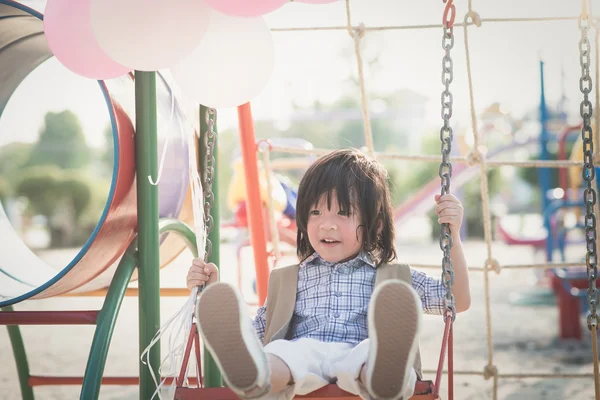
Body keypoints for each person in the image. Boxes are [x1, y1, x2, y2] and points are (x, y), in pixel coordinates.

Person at [186, 148, 471, 400]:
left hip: (362, 351)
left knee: (372, 352)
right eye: (315, 212)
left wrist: (453, 237)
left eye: (343, 213)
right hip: (305, 353)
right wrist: (209, 293)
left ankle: (386, 379)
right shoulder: (290, 279)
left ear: (377, 224)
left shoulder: (394, 279)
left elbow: (455, 300)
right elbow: (255, 333)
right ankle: (253, 376)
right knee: (280, 353)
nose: (327, 225)